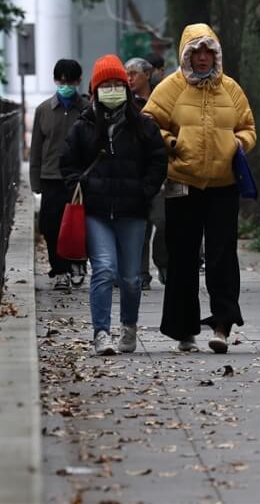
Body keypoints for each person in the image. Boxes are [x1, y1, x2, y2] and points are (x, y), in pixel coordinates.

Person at [142, 24, 256, 353]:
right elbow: (149, 122)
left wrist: (238, 143)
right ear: (186, 55)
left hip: (224, 184)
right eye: (196, 53)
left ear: (216, 55)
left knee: (222, 256)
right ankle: (183, 331)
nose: (203, 58)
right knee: (182, 257)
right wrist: (171, 141)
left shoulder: (231, 89)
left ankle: (222, 325)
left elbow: (248, 126)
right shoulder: (170, 88)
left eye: (208, 52)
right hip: (183, 183)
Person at [61, 55, 167, 355]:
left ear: (124, 87)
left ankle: (129, 327)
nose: (111, 90)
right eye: (104, 85)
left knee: (131, 278)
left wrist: (145, 190)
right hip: (96, 211)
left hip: (132, 211)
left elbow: (158, 159)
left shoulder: (142, 125)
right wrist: (78, 187)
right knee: (104, 269)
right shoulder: (83, 126)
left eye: (116, 84)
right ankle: (101, 332)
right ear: (95, 90)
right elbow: (67, 163)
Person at [31, 59, 88, 291]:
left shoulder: (86, 109)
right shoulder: (44, 110)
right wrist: (36, 181)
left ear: (78, 81)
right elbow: (36, 148)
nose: (66, 84)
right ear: (56, 80)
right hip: (51, 176)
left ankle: (77, 263)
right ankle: (60, 269)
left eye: (70, 80)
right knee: (50, 225)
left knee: (78, 225)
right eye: (62, 80)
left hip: (79, 178)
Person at [125, 56, 166, 291]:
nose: (129, 78)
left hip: (161, 172)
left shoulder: (163, 99)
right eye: (127, 74)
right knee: (139, 227)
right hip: (134, 173)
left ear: (148, 75)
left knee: (163, 221)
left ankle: (163, 262)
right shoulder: (125, 103)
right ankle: (141, 273)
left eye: (133, 74)